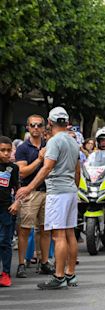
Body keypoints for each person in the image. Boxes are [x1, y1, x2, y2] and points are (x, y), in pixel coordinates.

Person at [17, 106, 80, 289]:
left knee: (58, 236)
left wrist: (29, 187)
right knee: (70, 234)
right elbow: (77, 171)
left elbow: (47, 168)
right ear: (66, 122)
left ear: (50, 123)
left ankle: (59, 277)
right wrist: (74, 189)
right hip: (70, 191)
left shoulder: (53, 142)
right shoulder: (73, 142)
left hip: (57, 192)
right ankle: (70, 274)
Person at [14, 114, 54, 278]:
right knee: (25, 229)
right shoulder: (23, 148)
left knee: (45, 229)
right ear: (28, 128)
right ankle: (22, 264)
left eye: (39, 125)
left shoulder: (50, 145)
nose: (36, 128)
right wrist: (39, 160)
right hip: (30, 193)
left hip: (48, 191)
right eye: (33, 125)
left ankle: (44, 262)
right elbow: (22, 172)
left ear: (44, 128)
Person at [0, 136, 20, 287]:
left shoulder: (13, 168)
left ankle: (5, 273)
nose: (6, 153)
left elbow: (17, 188)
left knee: (5, 242)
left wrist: (17, 203)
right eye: (2, 150)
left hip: (6, 209)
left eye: (9, 150)